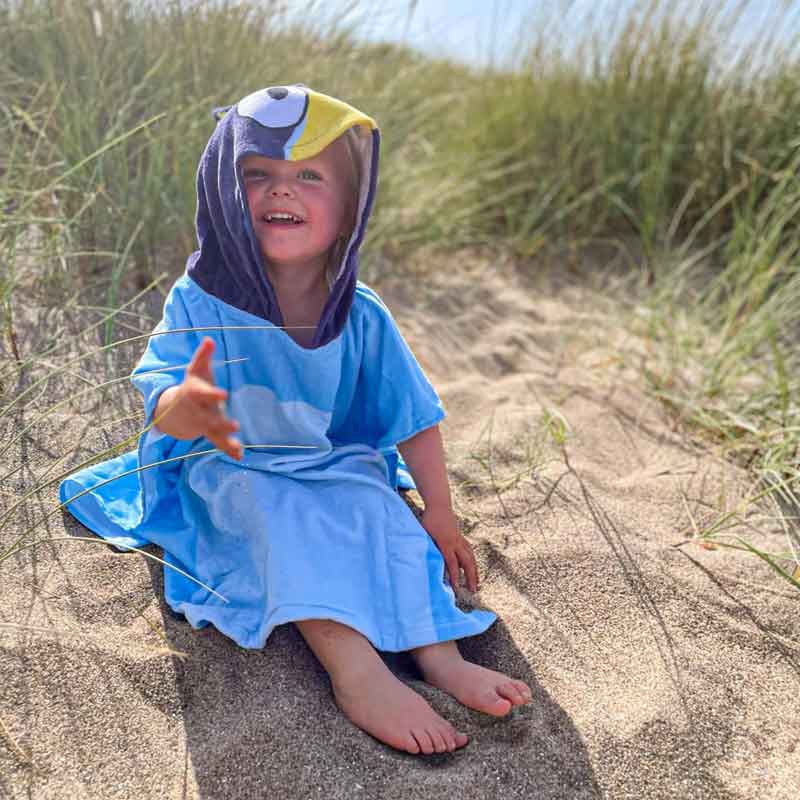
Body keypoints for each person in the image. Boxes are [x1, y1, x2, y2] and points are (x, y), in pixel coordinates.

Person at [60, 85, 532, 755]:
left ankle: (440, 655)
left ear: (349, 208)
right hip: (230, 467)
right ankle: (357, 670)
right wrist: (186, 407)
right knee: (280, 521)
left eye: (309, 176)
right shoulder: (201, 299)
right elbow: (163, 386)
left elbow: (413, 417)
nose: (282, 191)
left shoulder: (359, 311)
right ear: (226, 194)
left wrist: (440, 511)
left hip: (332, 462)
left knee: (383, 515)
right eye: (258, 176)